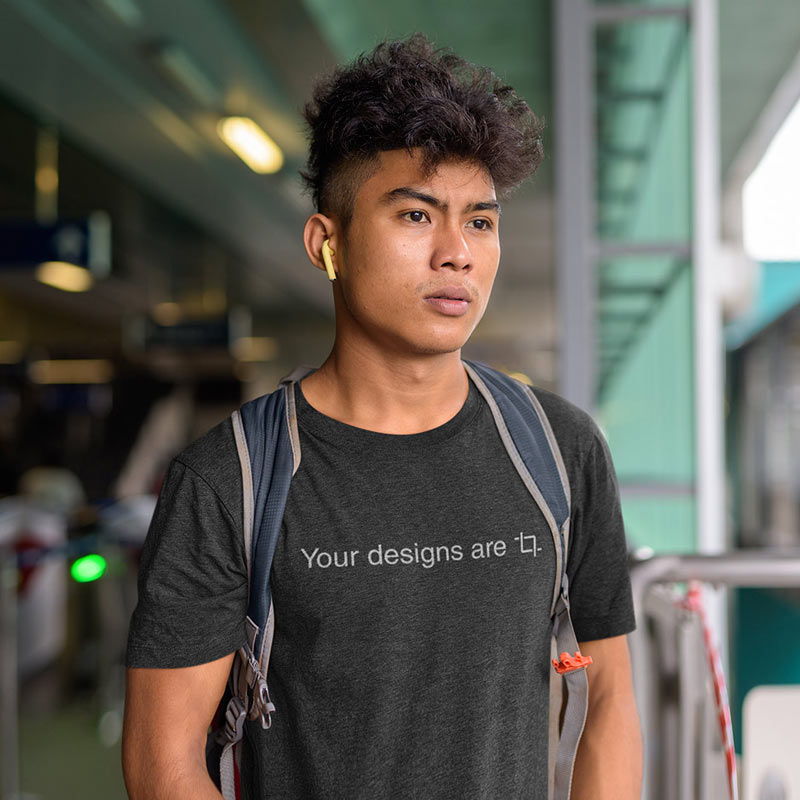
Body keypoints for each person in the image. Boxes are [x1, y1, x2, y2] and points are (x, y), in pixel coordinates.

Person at [122, 34, 641, 800]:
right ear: (326, 244)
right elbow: (162, 765)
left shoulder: (559, 450)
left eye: (481, 222)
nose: (457, 254)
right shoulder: (229, 479)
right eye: (415, 216)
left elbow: (611, 707)